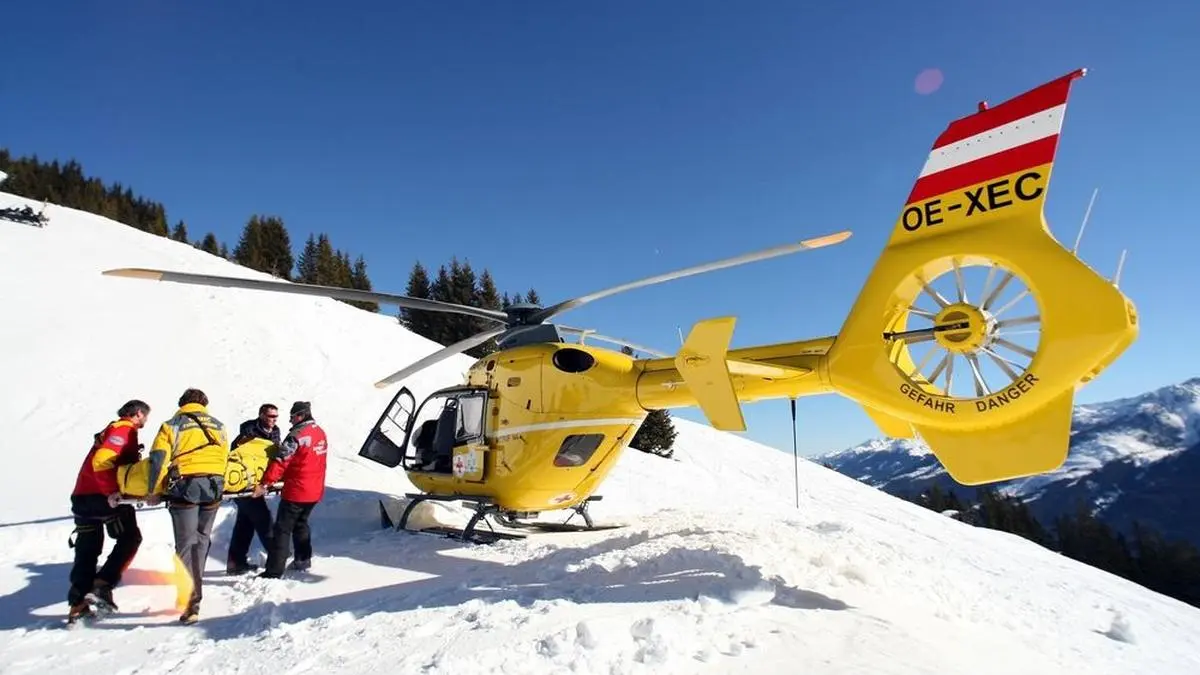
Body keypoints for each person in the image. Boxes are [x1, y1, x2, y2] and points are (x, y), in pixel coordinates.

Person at [144, 388, 229, 624]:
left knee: (185, 543)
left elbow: (159, 458)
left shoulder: (172, 424)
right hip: (214, 486)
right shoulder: (219, 425)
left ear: (182, 403)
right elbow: (224, 455)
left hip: (185, 487)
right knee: (202, 540)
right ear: (204, 404)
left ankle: (190, 602)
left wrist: (153, 490)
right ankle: (195, 594)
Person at [66, 400, 150, 624]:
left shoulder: (110, 429)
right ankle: (103, 585)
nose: (145, 421)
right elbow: (103, 460)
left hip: (83, 496)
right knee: (130, 537)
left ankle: (78, 605)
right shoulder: (124, 429)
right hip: (104, 497)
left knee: (87, 548)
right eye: (145, 416)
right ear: (138, 413)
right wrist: (112, 491)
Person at [256, 401, 328, 578]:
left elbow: (281, 461)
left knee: (282, 529)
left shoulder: (296, 436)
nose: (290, 421)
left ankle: (274, 571)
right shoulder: (320, 432)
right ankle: (303, 559)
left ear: (301, 415)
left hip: (297, 490)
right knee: (301, 523)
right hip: (315, 490)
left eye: (292, 417)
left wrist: (265, 483)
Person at [225, 403, 281, 575]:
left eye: (276, 417)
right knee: (264, 521)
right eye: (271, 416)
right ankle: (277, 559)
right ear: (261, 415)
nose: (274, 420)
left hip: (259, 484)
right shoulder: (248, 432)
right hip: (245, 484)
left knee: (245, 523)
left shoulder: (275, 433)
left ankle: (236, 562)